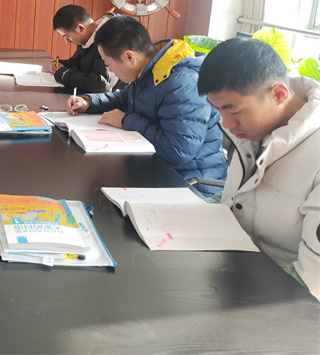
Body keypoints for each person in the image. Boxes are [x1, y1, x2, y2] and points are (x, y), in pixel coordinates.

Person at [197, 38, 319, 300]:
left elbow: (312, 281)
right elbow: (239, 195)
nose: (227, 124)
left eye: (234, 111)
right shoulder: (257, 130)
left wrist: (237, 291)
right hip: (233, 270)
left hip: (279, 301)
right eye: (218, 110)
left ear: (279, 94)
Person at [66, 16, 226, 192]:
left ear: (129, 57)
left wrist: (127, 121)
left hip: (190, 184)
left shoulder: (182, 85)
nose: (110, 70)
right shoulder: (151, 69)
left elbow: (179, 151)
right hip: (155, 169)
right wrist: (88, 102)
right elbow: (124, 97)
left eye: (108, 64)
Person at [50, 5, 120, 93]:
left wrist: (63, 74)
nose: (67, 41)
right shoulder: (87, 38)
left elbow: (100, 84)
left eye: (67, 36)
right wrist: (62, 64)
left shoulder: (109, 41)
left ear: (80, 28)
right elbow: (77, 62)